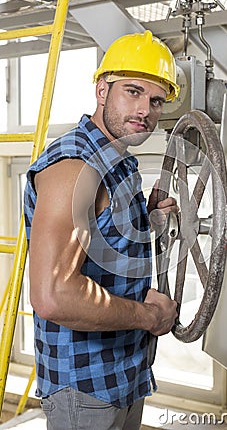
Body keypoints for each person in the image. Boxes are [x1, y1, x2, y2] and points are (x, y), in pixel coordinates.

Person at [23, 30, 180, 430]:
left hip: (124, 373)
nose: (144, 109)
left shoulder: (117, 159)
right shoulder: (75, 165)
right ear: (101, 90)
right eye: (132, 91)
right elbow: (54, 295)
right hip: (86, 385)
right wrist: (148, 316)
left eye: (156, 100)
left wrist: (144, 219)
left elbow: (100, 241)